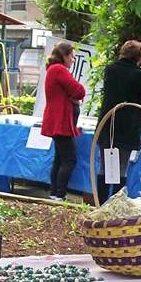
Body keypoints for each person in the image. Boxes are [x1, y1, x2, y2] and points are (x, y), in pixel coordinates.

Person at [95, 40, 141, 200]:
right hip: (128, 126)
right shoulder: (139, 75)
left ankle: (100, 203)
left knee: (105, 167)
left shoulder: (110, 70)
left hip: (108, 123)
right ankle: (117, 204)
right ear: (139, 56)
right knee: (121, 168)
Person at [40, 41, 86, 201]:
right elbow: (79, 90)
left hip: (57, 120)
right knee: (69, 159)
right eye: (72, 56)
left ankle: (54, 192)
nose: (73, 60)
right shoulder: (59, 69)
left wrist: (71, 97)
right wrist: (73, 97)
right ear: (65, 56)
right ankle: (59, 194)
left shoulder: (52, 69)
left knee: (59, 158)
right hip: (61, 121)